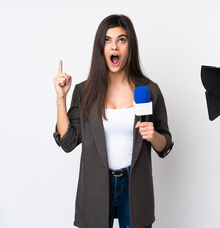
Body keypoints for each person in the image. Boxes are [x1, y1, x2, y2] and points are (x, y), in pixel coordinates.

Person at [53, 14, 173, 228]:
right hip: (95, 187)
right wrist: (60, 97)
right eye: (107, 40)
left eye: (121, 40)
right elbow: (68, 142)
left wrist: (153, 135)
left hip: (135, 188)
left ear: (130, 46)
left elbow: (165, 144)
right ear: (101, 48)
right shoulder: (84, 91)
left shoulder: (148, 90)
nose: (114, 46)